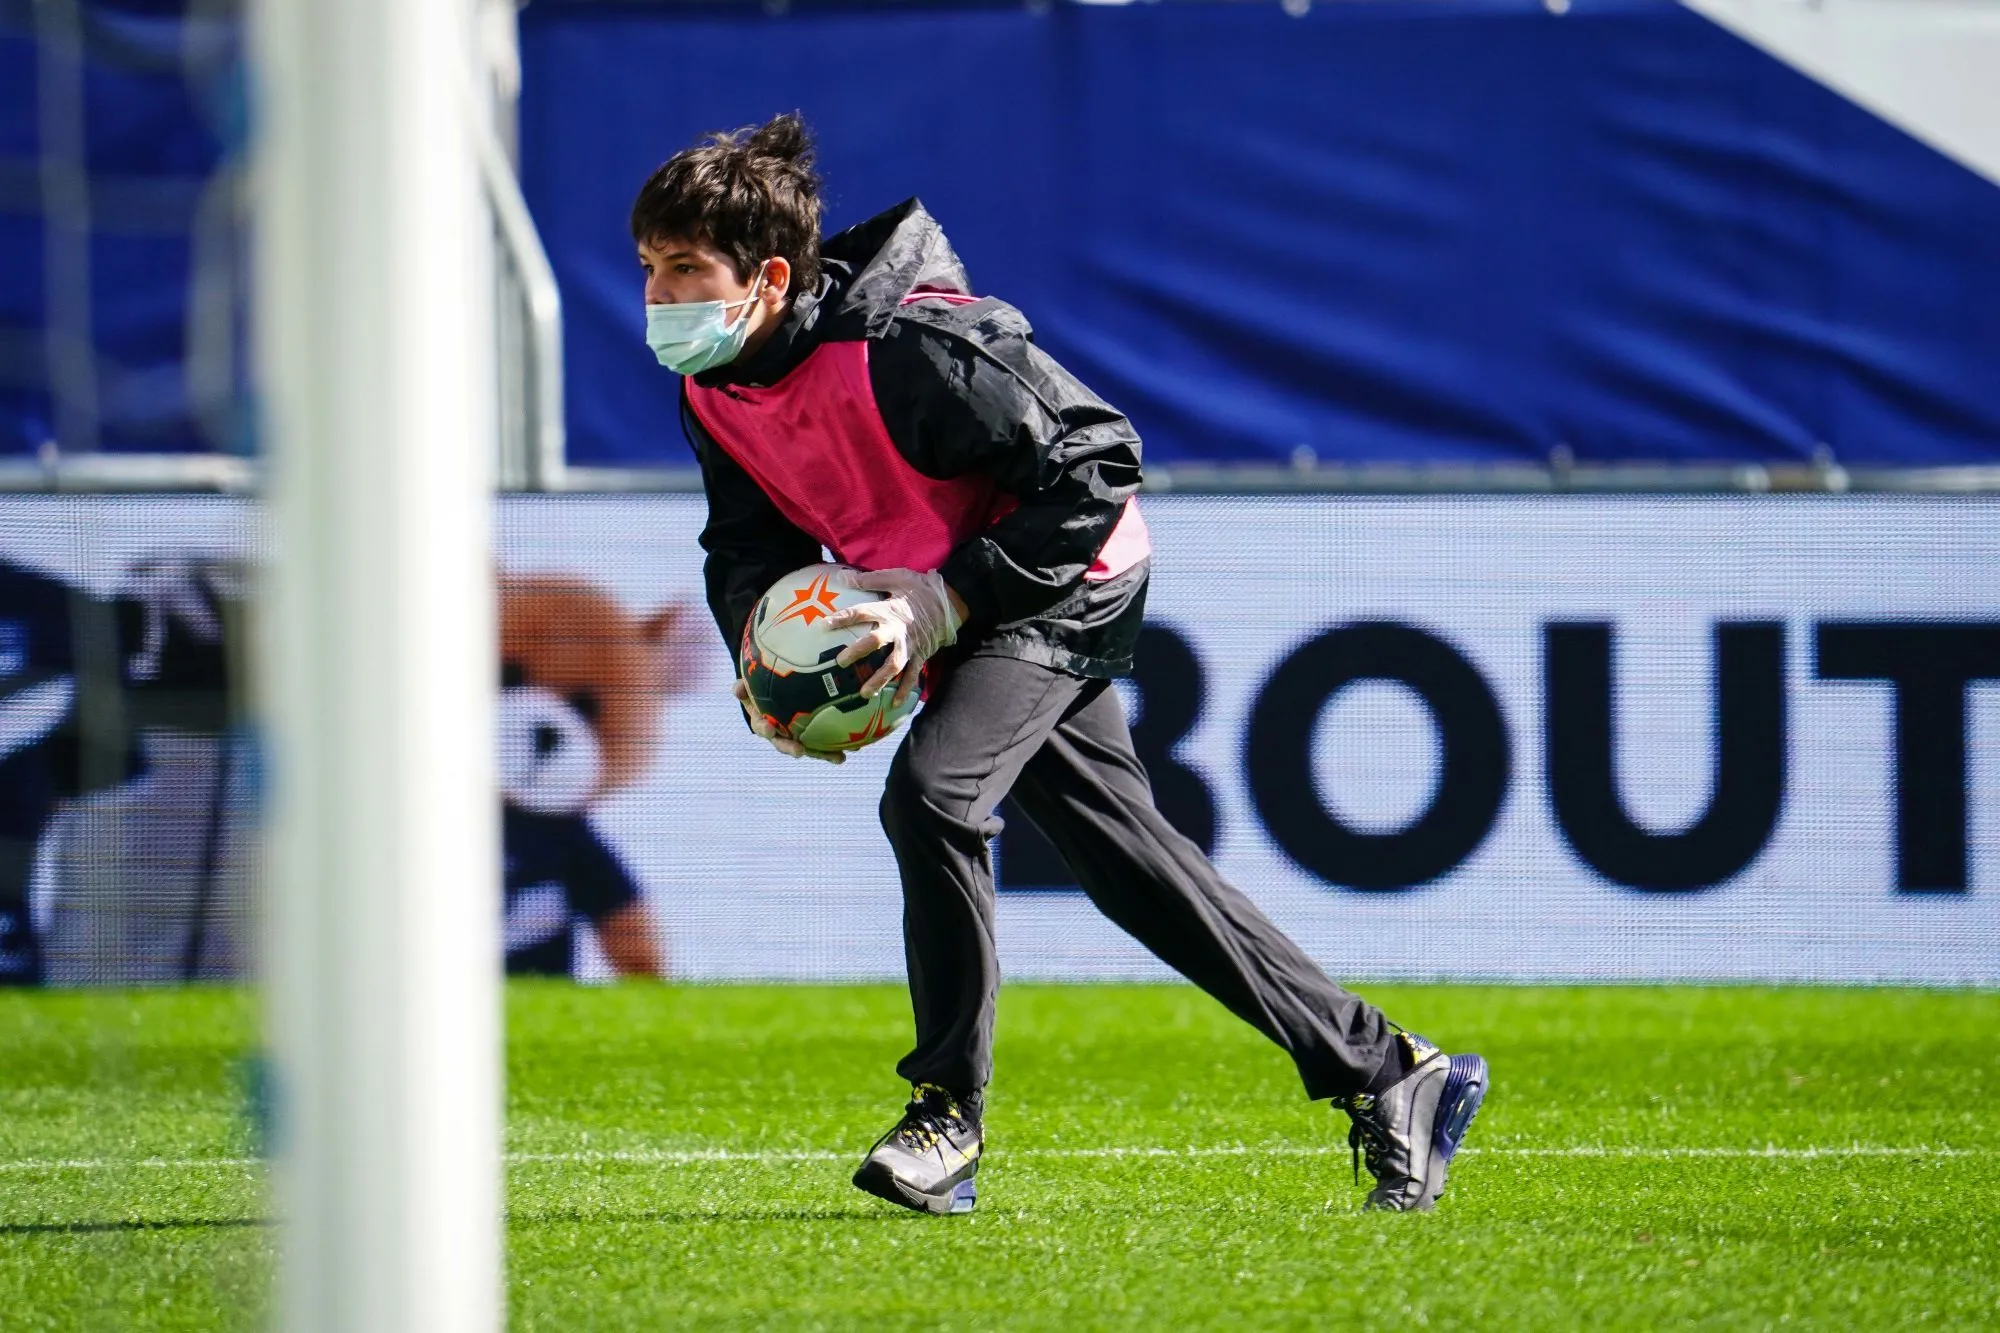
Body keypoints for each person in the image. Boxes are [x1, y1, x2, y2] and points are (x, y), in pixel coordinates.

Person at [631, 113, 1487, 1215]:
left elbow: (1097, 459)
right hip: (938, 599)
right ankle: (1392, 1071)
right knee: (1139, 874)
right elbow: (747, 544)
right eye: (649, 268)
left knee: (933, 797)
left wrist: (945, 602)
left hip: (1058, 580)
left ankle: (944, 1113)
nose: (659, 296)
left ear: (769, 276)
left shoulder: (915, 347)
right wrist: (761, 659)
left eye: (685, 269)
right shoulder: (712, 387)